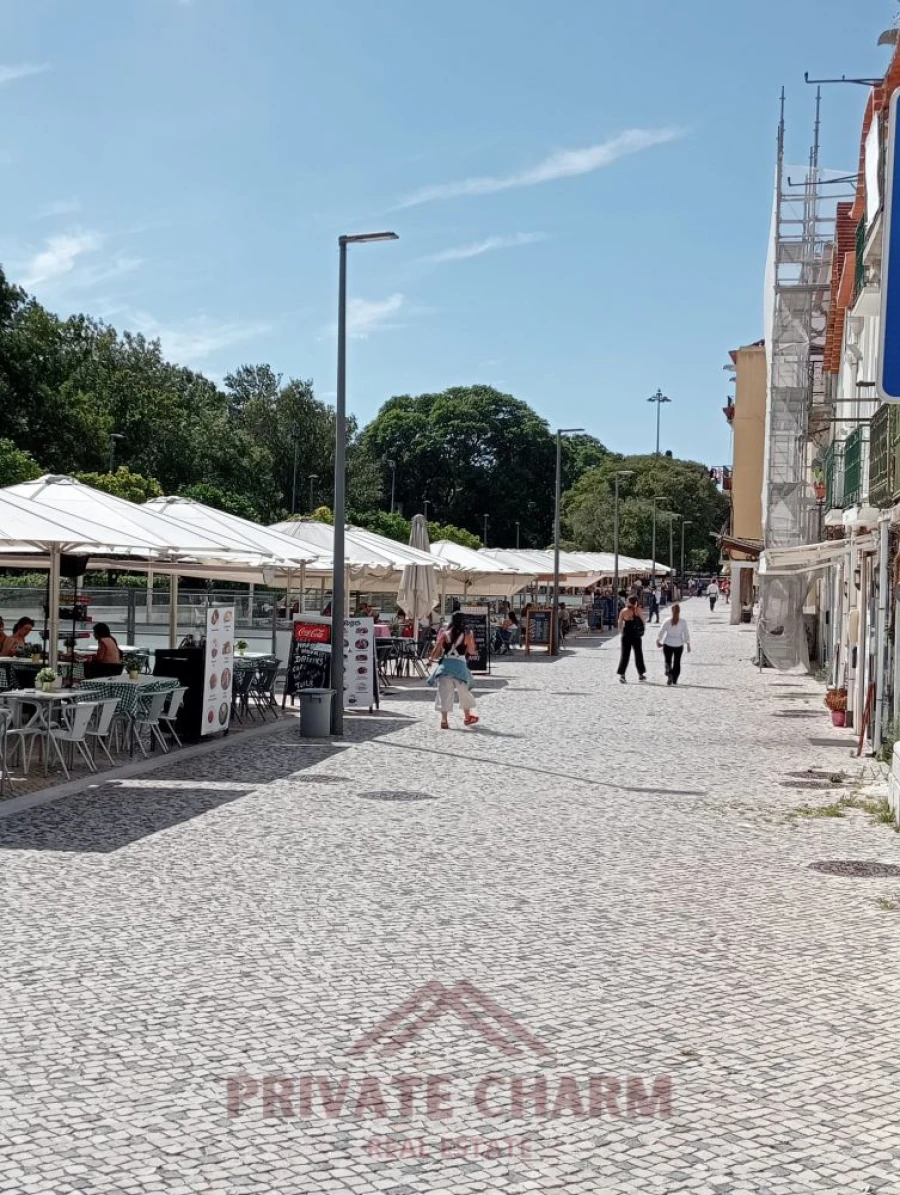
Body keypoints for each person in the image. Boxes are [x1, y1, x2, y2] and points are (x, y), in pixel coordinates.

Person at [427, 612, 479, 729]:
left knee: (444, 694)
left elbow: (436, 650)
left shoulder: (445, 634)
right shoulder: (468, 634)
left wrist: (430, 660)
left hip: (445, 667)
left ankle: (444, 720)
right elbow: (471, 651)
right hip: (460, 667)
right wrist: (475, 649)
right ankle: (467, 717)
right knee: (464, 692)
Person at [656, 603, 691, 685]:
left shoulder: (667, 621)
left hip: (668, 643)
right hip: (679, 644)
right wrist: (688, 643)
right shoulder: (683, 622)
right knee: (677, 662)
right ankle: (675, 679)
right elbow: (686, 633)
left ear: (671, 611)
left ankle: (669, 673)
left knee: (667, 661)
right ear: (679, 611)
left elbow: (661, 631)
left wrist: (658, 640)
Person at [617, 596, 646, 684]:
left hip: (626, 634)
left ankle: (622, 674)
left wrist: (622, 632)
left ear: (629, 602)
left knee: (625, 655)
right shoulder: (638, 610)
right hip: (636, 635)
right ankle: (640, 674)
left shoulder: (624, 611)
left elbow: (620, 623)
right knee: (638, 654)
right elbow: (643, 622)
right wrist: (642, 631)